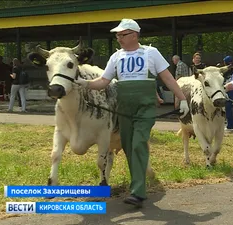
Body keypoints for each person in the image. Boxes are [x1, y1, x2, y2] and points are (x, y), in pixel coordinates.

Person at [74, 18, 189, 207]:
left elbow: (167, 77)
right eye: (117, 35)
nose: (118, 38)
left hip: (144, 107)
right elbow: (103, 81)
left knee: (138, 144)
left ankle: (138, 192)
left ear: (134, 35)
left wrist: (182, 99)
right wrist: (85, 84)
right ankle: (138, 187)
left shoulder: (151, 53)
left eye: (122, 34)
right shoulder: (116, 57)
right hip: (124, 108)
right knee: (128, 147)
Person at [222, 56, 233, 130]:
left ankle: (230, 125)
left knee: (228, 107)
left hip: (230, 90)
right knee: (226, 107)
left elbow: (230, 81)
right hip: (228, 90)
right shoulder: (231, 71)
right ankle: (228, 123)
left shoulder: (232, 71)